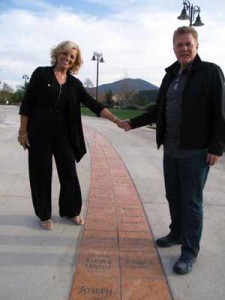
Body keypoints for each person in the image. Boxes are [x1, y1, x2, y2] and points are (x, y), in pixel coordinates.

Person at [120, 26, 225, 274]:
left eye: (188, 44)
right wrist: (132, 123)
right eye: (179, 45)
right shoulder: (170, 76)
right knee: (173, 196)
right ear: (173, 48)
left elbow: (221, 114)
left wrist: (217, 148)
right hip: (171, 149)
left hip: (197, 152)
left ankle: (189, 252)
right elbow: (159, 109)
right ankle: (176, 233)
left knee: (191, 202)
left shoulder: (211, 72)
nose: (184, 49)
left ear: (196, 45)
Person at [18, 40, 123, 230]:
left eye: (72, 57)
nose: (67, 58)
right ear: (57, 53)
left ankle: (70, 210)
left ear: (75, 62)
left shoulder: (74, 84)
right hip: (39, 133)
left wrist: (115, 120)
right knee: (40, 174)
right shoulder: (41, 74)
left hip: (64, 135)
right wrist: (22, 131)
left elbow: (93, 104)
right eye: (65, 54)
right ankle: (44, 214)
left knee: (69, 173)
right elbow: (27, 104)